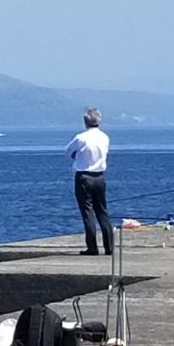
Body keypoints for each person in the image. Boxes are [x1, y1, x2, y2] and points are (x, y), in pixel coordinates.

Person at [67, 108, 112, 256]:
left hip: (84, 177)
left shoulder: (81, 138)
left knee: (88, 212)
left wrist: (77, 156)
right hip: (100, 177)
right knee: (102, 211)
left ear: (85, 121)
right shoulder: (105, 137)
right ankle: (109, 246)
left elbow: (68, 151)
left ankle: (92, 247)